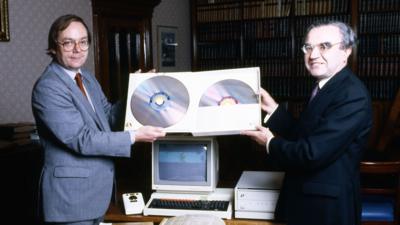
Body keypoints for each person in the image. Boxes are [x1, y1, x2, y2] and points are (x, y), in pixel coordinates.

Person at [31, 14, 166, 225]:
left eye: (83, 42)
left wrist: (134, 93)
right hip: (70, 201)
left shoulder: (86, 78)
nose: (78, 49)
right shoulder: (49, 87)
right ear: (53, 46)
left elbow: (109, 117)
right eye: (68, 43)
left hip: (95, 195)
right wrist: (134, 136)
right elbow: (81, 139)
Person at [241, 20, 372, 225]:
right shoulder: (324, 87)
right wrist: (274, 109)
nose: (313, 55)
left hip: (326, 210)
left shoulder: (352, 95)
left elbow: (311, 153)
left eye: (324, 46)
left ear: (346, 51)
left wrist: (269, 143)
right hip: (305, 199)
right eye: (308, 47)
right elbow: (303, 135)